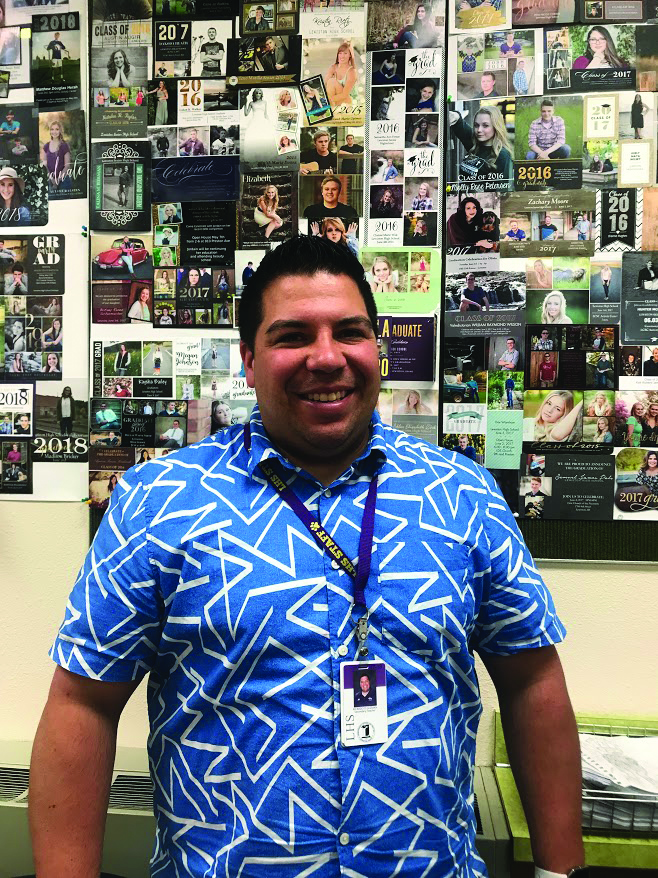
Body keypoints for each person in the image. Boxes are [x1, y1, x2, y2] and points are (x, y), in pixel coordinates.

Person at [33, 235, 583, 878]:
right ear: (248, 358)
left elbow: (533, 682)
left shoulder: (463, 494)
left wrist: (558, 873)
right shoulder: (161, 499)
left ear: (377, 346)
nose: (327, 357)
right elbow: (82, 704)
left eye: (349, 331)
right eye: (293, 335)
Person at [449, 105, 513, 182]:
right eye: (476, 125)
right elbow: (458, 122)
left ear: (496, 127)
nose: (479, 130)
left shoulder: (503, 155)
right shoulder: (475, 143)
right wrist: (454, 115)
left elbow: (503, 189)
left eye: (485, 125)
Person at [325, 42, 357, 108]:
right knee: (330, 83)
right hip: (336, 99)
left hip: (349, 101)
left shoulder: (351, 71)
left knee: (332, 81)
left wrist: (328, 100)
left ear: (350, 55)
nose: (342, 56)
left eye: (345, 53)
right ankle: (330, 109)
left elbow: (345, 94)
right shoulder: (333, 67)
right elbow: (324, 84)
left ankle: (329, 107)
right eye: (340, 53)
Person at [42, 120, 71, 193]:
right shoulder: (46, 146)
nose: (54, 132)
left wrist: (58, 180)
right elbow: (45, 165)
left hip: (63, 180)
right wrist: (52, 179)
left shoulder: (64, 145)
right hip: (50, 181)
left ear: (60, 131)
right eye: (52, 129)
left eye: (57, 129)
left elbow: (67, 165)